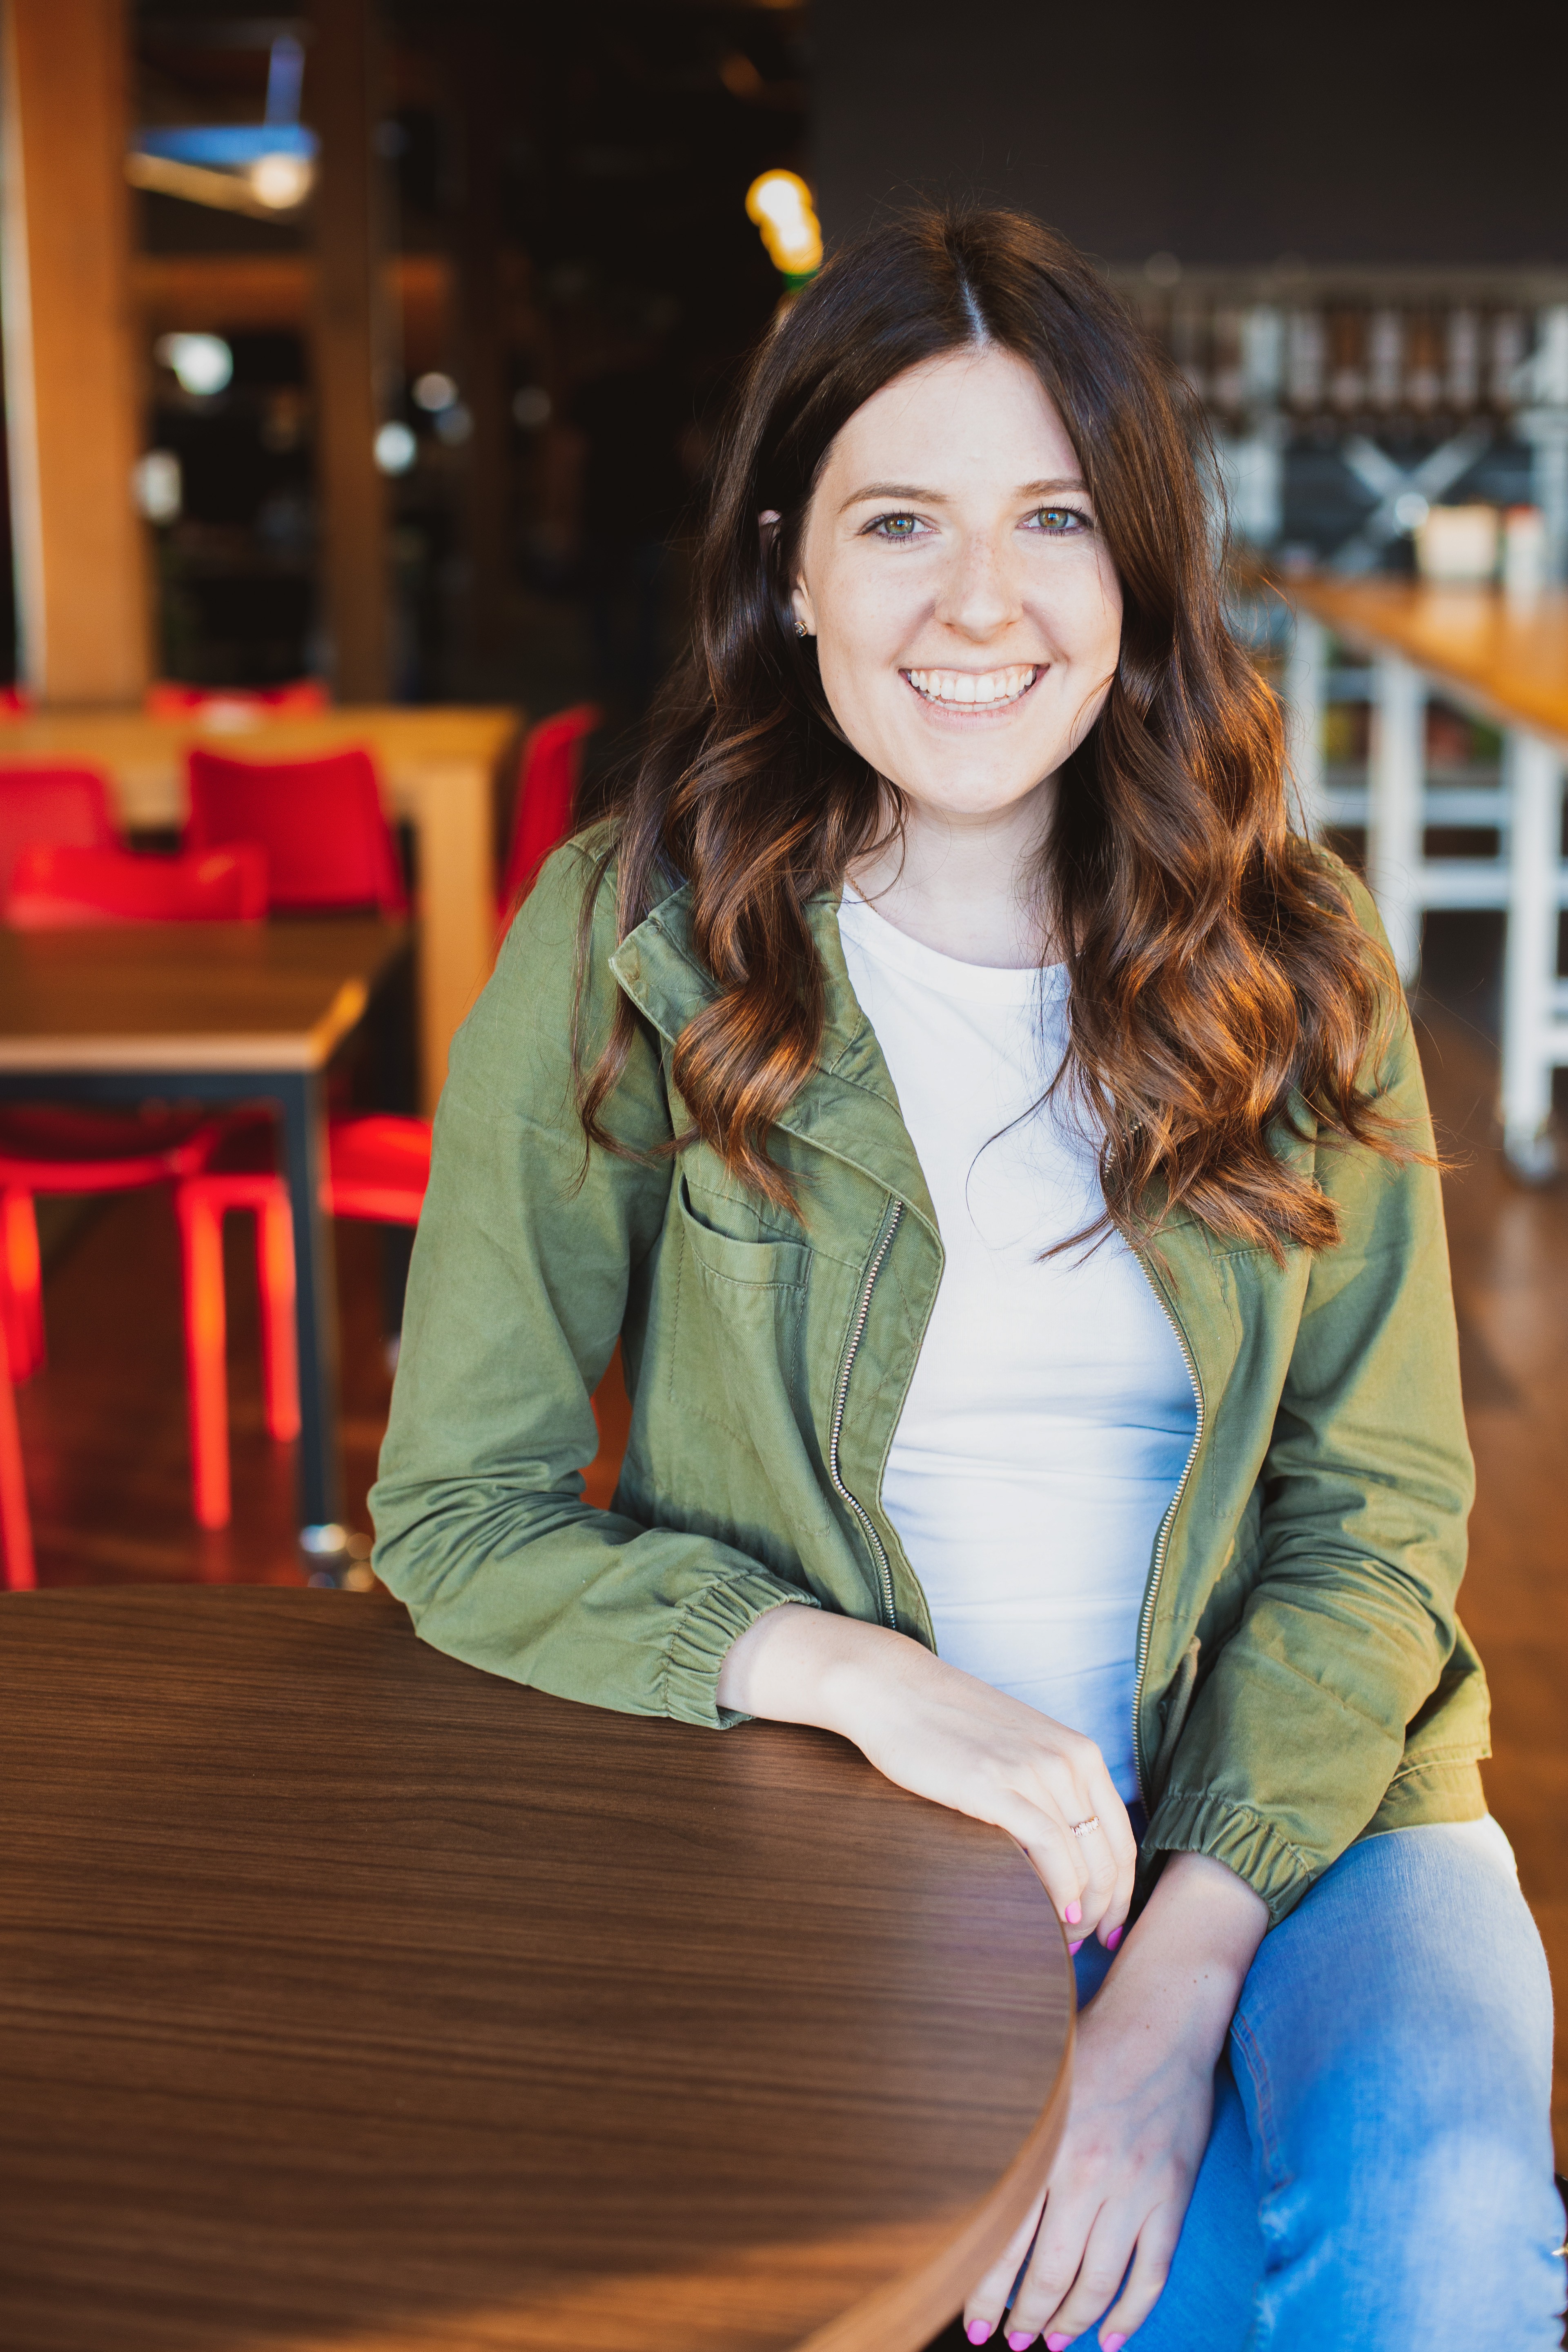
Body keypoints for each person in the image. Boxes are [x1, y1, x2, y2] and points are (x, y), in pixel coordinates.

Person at [370, 209, 1565, 2346]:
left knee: (1449, 2242)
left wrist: (1170, 2000)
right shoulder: (627, 940)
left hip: (1308, 1815)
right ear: (788, 566)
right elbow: (460, 1514)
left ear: (1143, 574)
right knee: (1130, 2311)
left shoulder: (1299, 954)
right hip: (853, 1839)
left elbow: (1377, 1523)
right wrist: (862, 1679)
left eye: (1059, 522)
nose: (984, 602)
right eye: (901, 518)